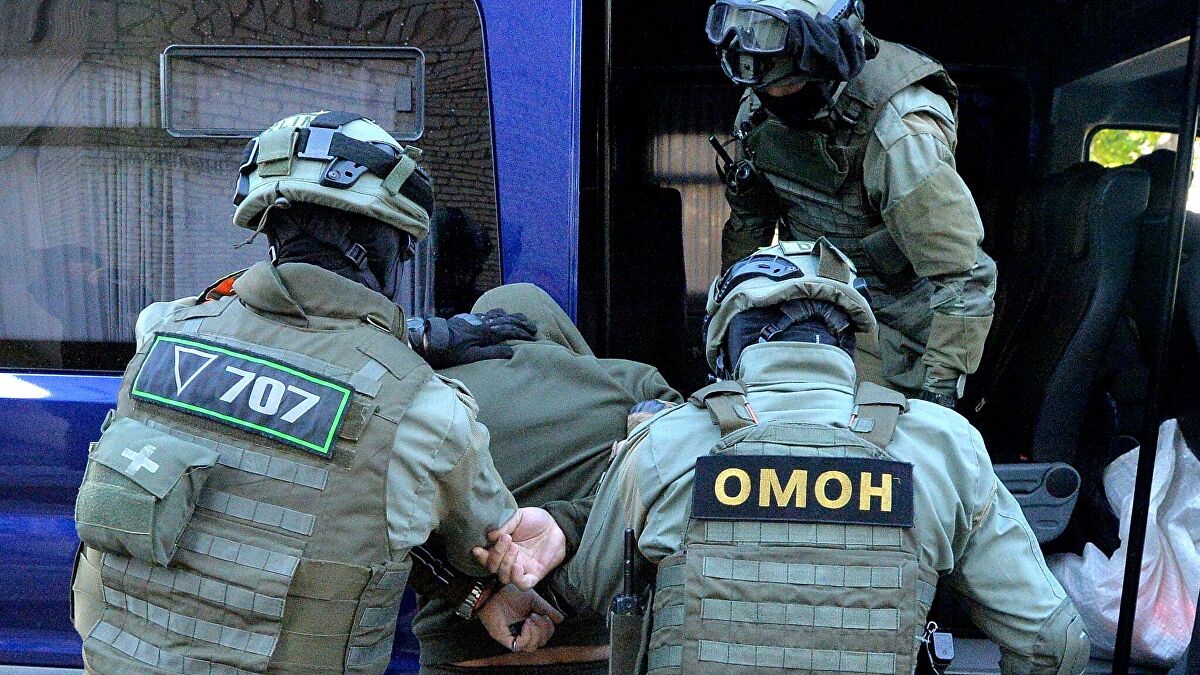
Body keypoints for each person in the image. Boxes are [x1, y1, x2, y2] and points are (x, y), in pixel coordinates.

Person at [70, 111, 564, 675]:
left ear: (270, 229)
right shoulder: (426, 413)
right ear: (380, 247)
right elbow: (488, 544)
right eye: (404, 249)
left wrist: (411, 336)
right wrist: (485, 588)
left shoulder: (161, 334)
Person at [486, 239, 1089, 674]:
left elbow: (590, 586)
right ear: (850, 342)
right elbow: (1054, 640)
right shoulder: (943, 446)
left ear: (725, 345)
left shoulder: (666, 442)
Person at [706, 0, 997, 407]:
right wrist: (726, 323)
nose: (770, 95)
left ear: (824, 68)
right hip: (816, 313)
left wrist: (939, 395)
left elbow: (965, 278)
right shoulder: (759, 107)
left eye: (785, 83)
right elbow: (750, 222)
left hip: (898, 335)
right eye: (760, 85)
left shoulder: (899, 136)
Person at [408, 282, 683, 675]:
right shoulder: (631, 383)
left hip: (464, 653)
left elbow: (381, 513)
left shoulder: (428, 396)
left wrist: (478, 594)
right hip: (597, 650)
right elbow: (675, 499)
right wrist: (569, 525)